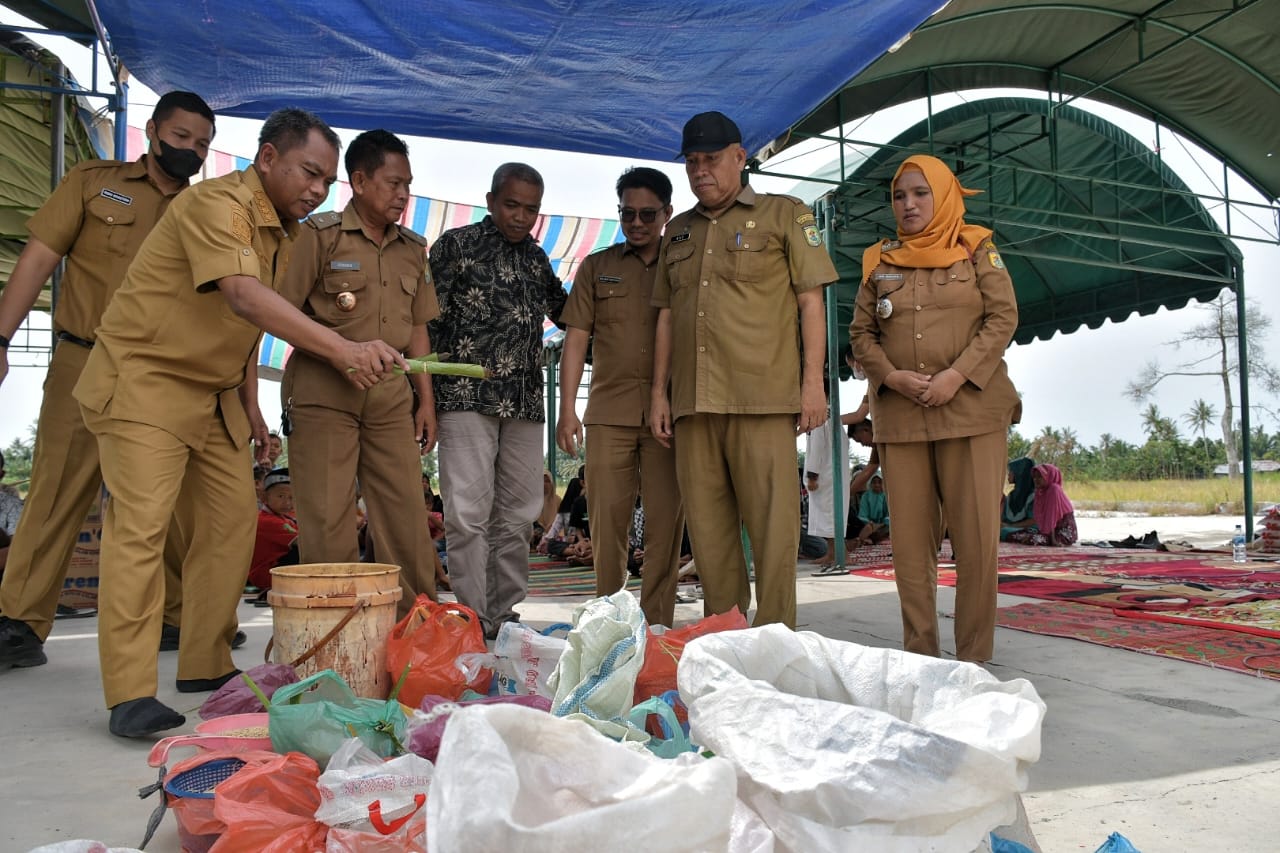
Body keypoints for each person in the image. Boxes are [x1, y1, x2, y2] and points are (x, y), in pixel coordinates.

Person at [72, 107, 407, 737]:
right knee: (140, 533)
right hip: (147, 380)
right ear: (267, 158)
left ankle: (204, 663)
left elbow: (250, 325)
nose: (317, 189)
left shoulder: (286, 232)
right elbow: (242, 295)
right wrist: (343, 350)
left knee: (230, 528)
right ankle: (128, 692)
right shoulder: (217, 204)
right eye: (309, 171)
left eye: (327, 181)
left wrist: (252, 406)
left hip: (216, 396)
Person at [0, 92, 217, 672]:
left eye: (201, 144)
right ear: (151, 130)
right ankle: (19, 621)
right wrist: (0, 338)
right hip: (85, 358)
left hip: (167, 376)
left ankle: (179, 620)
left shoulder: (208, 209)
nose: (189, 151)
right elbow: (39, 257)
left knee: (169, 505)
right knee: (54, 491)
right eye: (180, 136)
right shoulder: (94, 183)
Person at [650, 112, 837, 629]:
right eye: (691, 162)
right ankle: (726, 642)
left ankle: (775, 642)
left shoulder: (785, 215)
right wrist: (658, 394)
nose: (700, 171)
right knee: (710, 540)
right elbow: (665, 315)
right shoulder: (678, 232)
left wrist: (812, 384)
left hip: (763, 400)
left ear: (739, 156)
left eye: (711, 160)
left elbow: (811, 303)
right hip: (694, 403)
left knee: (774, 535)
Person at [851, 153, 1021, 663]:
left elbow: (1003, 317)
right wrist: (890, 376)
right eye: (900, 195)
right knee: (910, 551)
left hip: (972, 415)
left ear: (944, 195)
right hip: (903, 421)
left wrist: (957, 375)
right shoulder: (877, 262)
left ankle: (973, 661)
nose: (909, 204)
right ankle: (920, 660)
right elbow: (861, 334)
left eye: (921, 194)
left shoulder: (976, 250)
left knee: (974, 546)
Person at [278, 129, 439, 615]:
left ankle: (415, 627)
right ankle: (334, 630)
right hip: (325, 390)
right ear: (360, 181)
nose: (403, 195)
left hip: (391, 396)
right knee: (328, 517)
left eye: (408, 184)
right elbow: (281, 314)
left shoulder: (413, 247)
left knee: (406, 514)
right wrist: (339, 353)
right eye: (393, 183)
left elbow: (417, 331)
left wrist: (425, 400)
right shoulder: (317, 235)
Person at [429, 162, 567, 639]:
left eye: (531, 209)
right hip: (465, 395)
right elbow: (426, 323)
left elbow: (569, 312)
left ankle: (503, 616)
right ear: (491, 201)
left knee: (519, 514)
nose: (521, 217)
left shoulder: (536, 258)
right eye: (512, 205)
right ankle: (471, 617)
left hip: (525, 400)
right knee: (467, 514)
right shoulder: (455, 246)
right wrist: (422, 399)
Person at [557, 166, 686, 626]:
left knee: (664, 527)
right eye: (627, 213)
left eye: (648, 214)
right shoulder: (598, 266)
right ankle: (609, 622)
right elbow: (576, 338)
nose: (636, 223)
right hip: (608, 413)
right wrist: (566, 409)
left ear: (667, 213)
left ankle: (656, 624)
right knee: (605, 523)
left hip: (668, 414)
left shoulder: (683, 263)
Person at [805, 399, 852, 574]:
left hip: (824, 474)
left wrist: (812, 475)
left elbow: (817, 447)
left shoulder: (819, 414)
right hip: (833, 471)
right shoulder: (832, 416)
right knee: (831, 517)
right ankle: (832, 553)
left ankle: (842, 554)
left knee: (829, 517)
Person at [247, 467, 299, 597]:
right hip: (265, 575)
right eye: (281, 496)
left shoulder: (283, 517)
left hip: (273, 570)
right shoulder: (267, 521)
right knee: (305, 551)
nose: (287, 502)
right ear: (264, 497)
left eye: (292, 497)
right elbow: (303, 542)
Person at [1007, 464, 1078, 546]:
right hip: (1048, 532)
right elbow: (1038, 515)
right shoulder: (1040, 491)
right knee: (1014, 535)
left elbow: (1051, 516)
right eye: (1034, 477)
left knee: (1032, 539)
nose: (1036, 480)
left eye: (1040, 477)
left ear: (1049, 476)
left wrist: (1053, 540)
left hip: (1062, 532)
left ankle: (1048, 538)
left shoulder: (1054, 489)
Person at [999, 456, 1037, 540]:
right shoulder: (1012, 494)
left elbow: (1033, 521)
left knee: (1004, 532)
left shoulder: (1033, 496)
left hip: (1029, 529)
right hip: (1012, 527)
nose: (1008, 474)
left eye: (1011, 472)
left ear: (1019, 474)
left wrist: (1010, 526)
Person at [531, 470, 559, 548]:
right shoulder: (532, 501)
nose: (544, 484)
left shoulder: (558, 500)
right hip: (537, 533)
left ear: (552, 484)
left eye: (547, 481)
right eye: (541, 481)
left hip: (555, 532)